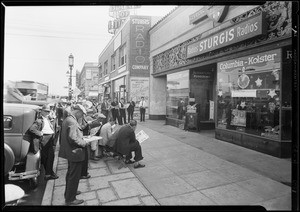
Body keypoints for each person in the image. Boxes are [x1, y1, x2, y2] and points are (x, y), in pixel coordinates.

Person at [58, 104, 88, 205]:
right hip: (75, 153)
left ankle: (70, 193)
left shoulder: (68, 119)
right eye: (82, 114)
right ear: (78, 112)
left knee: (71, 174)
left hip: (71, 152)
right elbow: (73, 138)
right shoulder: (72, 121)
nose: (82, 116)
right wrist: (84, 142)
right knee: (74, 176)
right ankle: (70, 199)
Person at [28, 104, 58, 181]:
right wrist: (40, 133)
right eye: (46, 111)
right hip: (44, 139)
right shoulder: (39, 120)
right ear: (42, 111)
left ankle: (49, 173)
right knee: (46, 157)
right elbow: (32, 129)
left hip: (50, 139)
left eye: (48, 111)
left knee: (50, 157)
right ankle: (49, 174)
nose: (47, 113)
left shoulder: (48, 119)